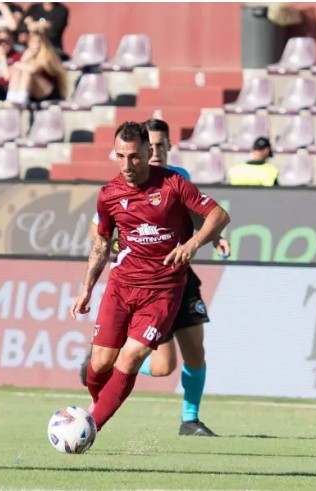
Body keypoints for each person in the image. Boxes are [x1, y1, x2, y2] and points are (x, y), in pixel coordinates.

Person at [70, 121, 230, 436]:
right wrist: (86, 288)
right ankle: (97, 405)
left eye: (134, 156)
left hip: (165, 287)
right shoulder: (109, 194)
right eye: (120, 156)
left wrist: (196, 243)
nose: (127, 164)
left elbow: (217, 215)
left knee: (142, 358)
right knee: (103, 363)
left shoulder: (175, 181)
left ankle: (91, 428)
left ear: (150, 150)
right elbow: (101, 241)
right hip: (122, 285)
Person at [3, 31, 66, 106]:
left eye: (38, 42)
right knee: (18, 71)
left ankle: (21, 102)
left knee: (27, 72)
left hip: (49, 92)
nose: (36, 45)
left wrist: (18, 63)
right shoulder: (28, 56)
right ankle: (11, 100)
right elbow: (9, 75)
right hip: (33, 93)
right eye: (32, 42)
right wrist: (23, 60)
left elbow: (35, 69)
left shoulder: (48, 55)